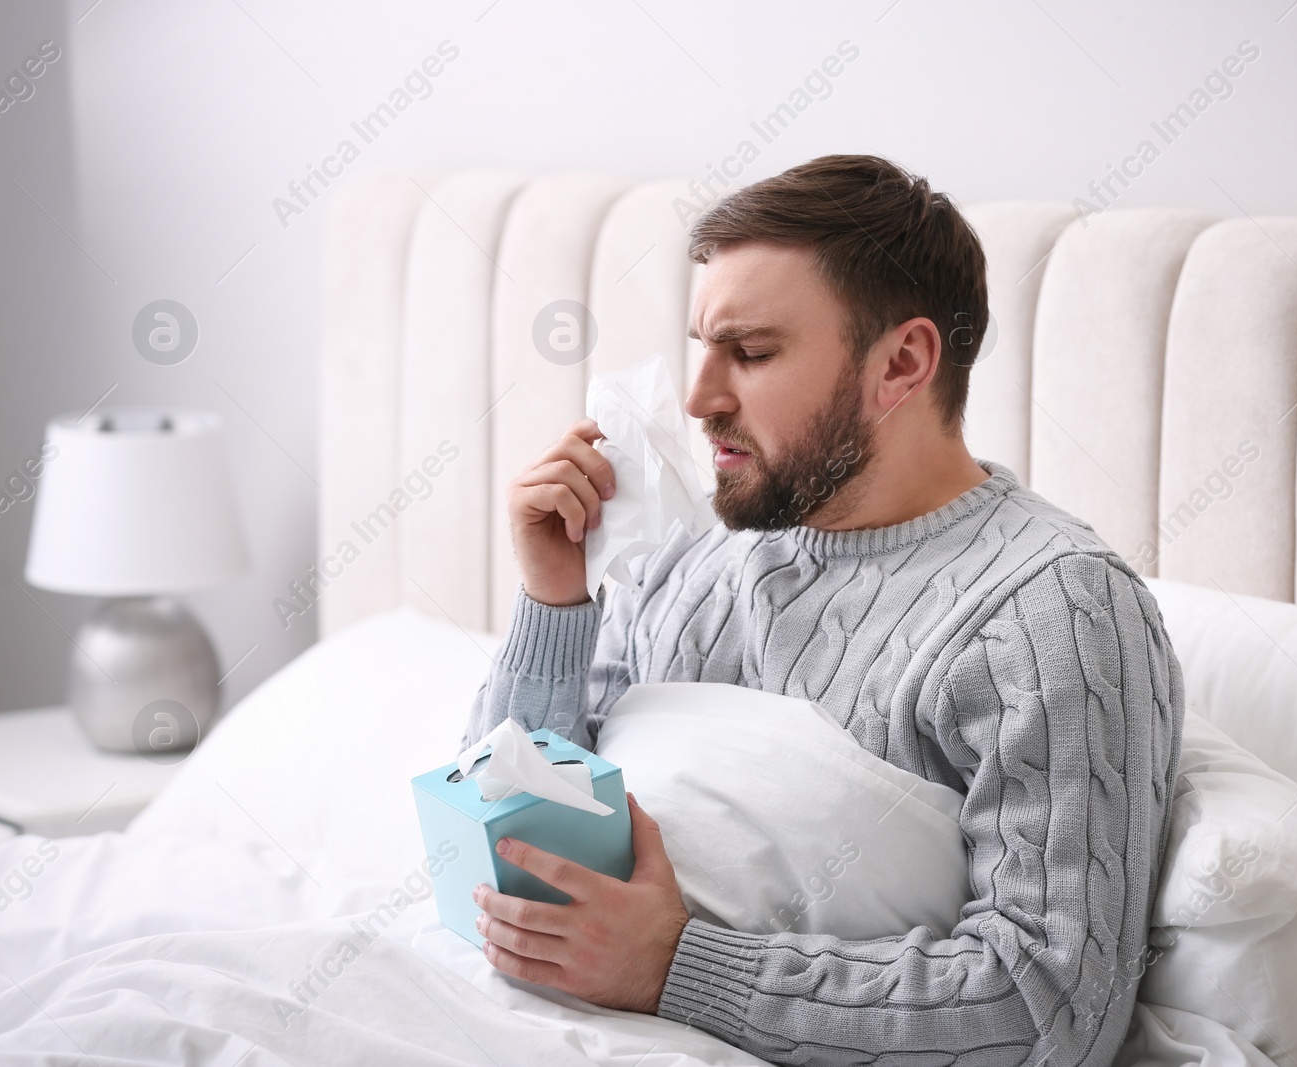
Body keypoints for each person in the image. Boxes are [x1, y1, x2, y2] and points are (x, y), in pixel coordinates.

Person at [461, 154, 1184, 1066]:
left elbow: (1052, 1008)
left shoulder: (1052, 613)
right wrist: (552, 602)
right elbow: (499, 834)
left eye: (753, 352)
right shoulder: (686, 555)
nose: (699, 399)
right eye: (702, 345)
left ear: (903, 363)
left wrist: (678, 965)